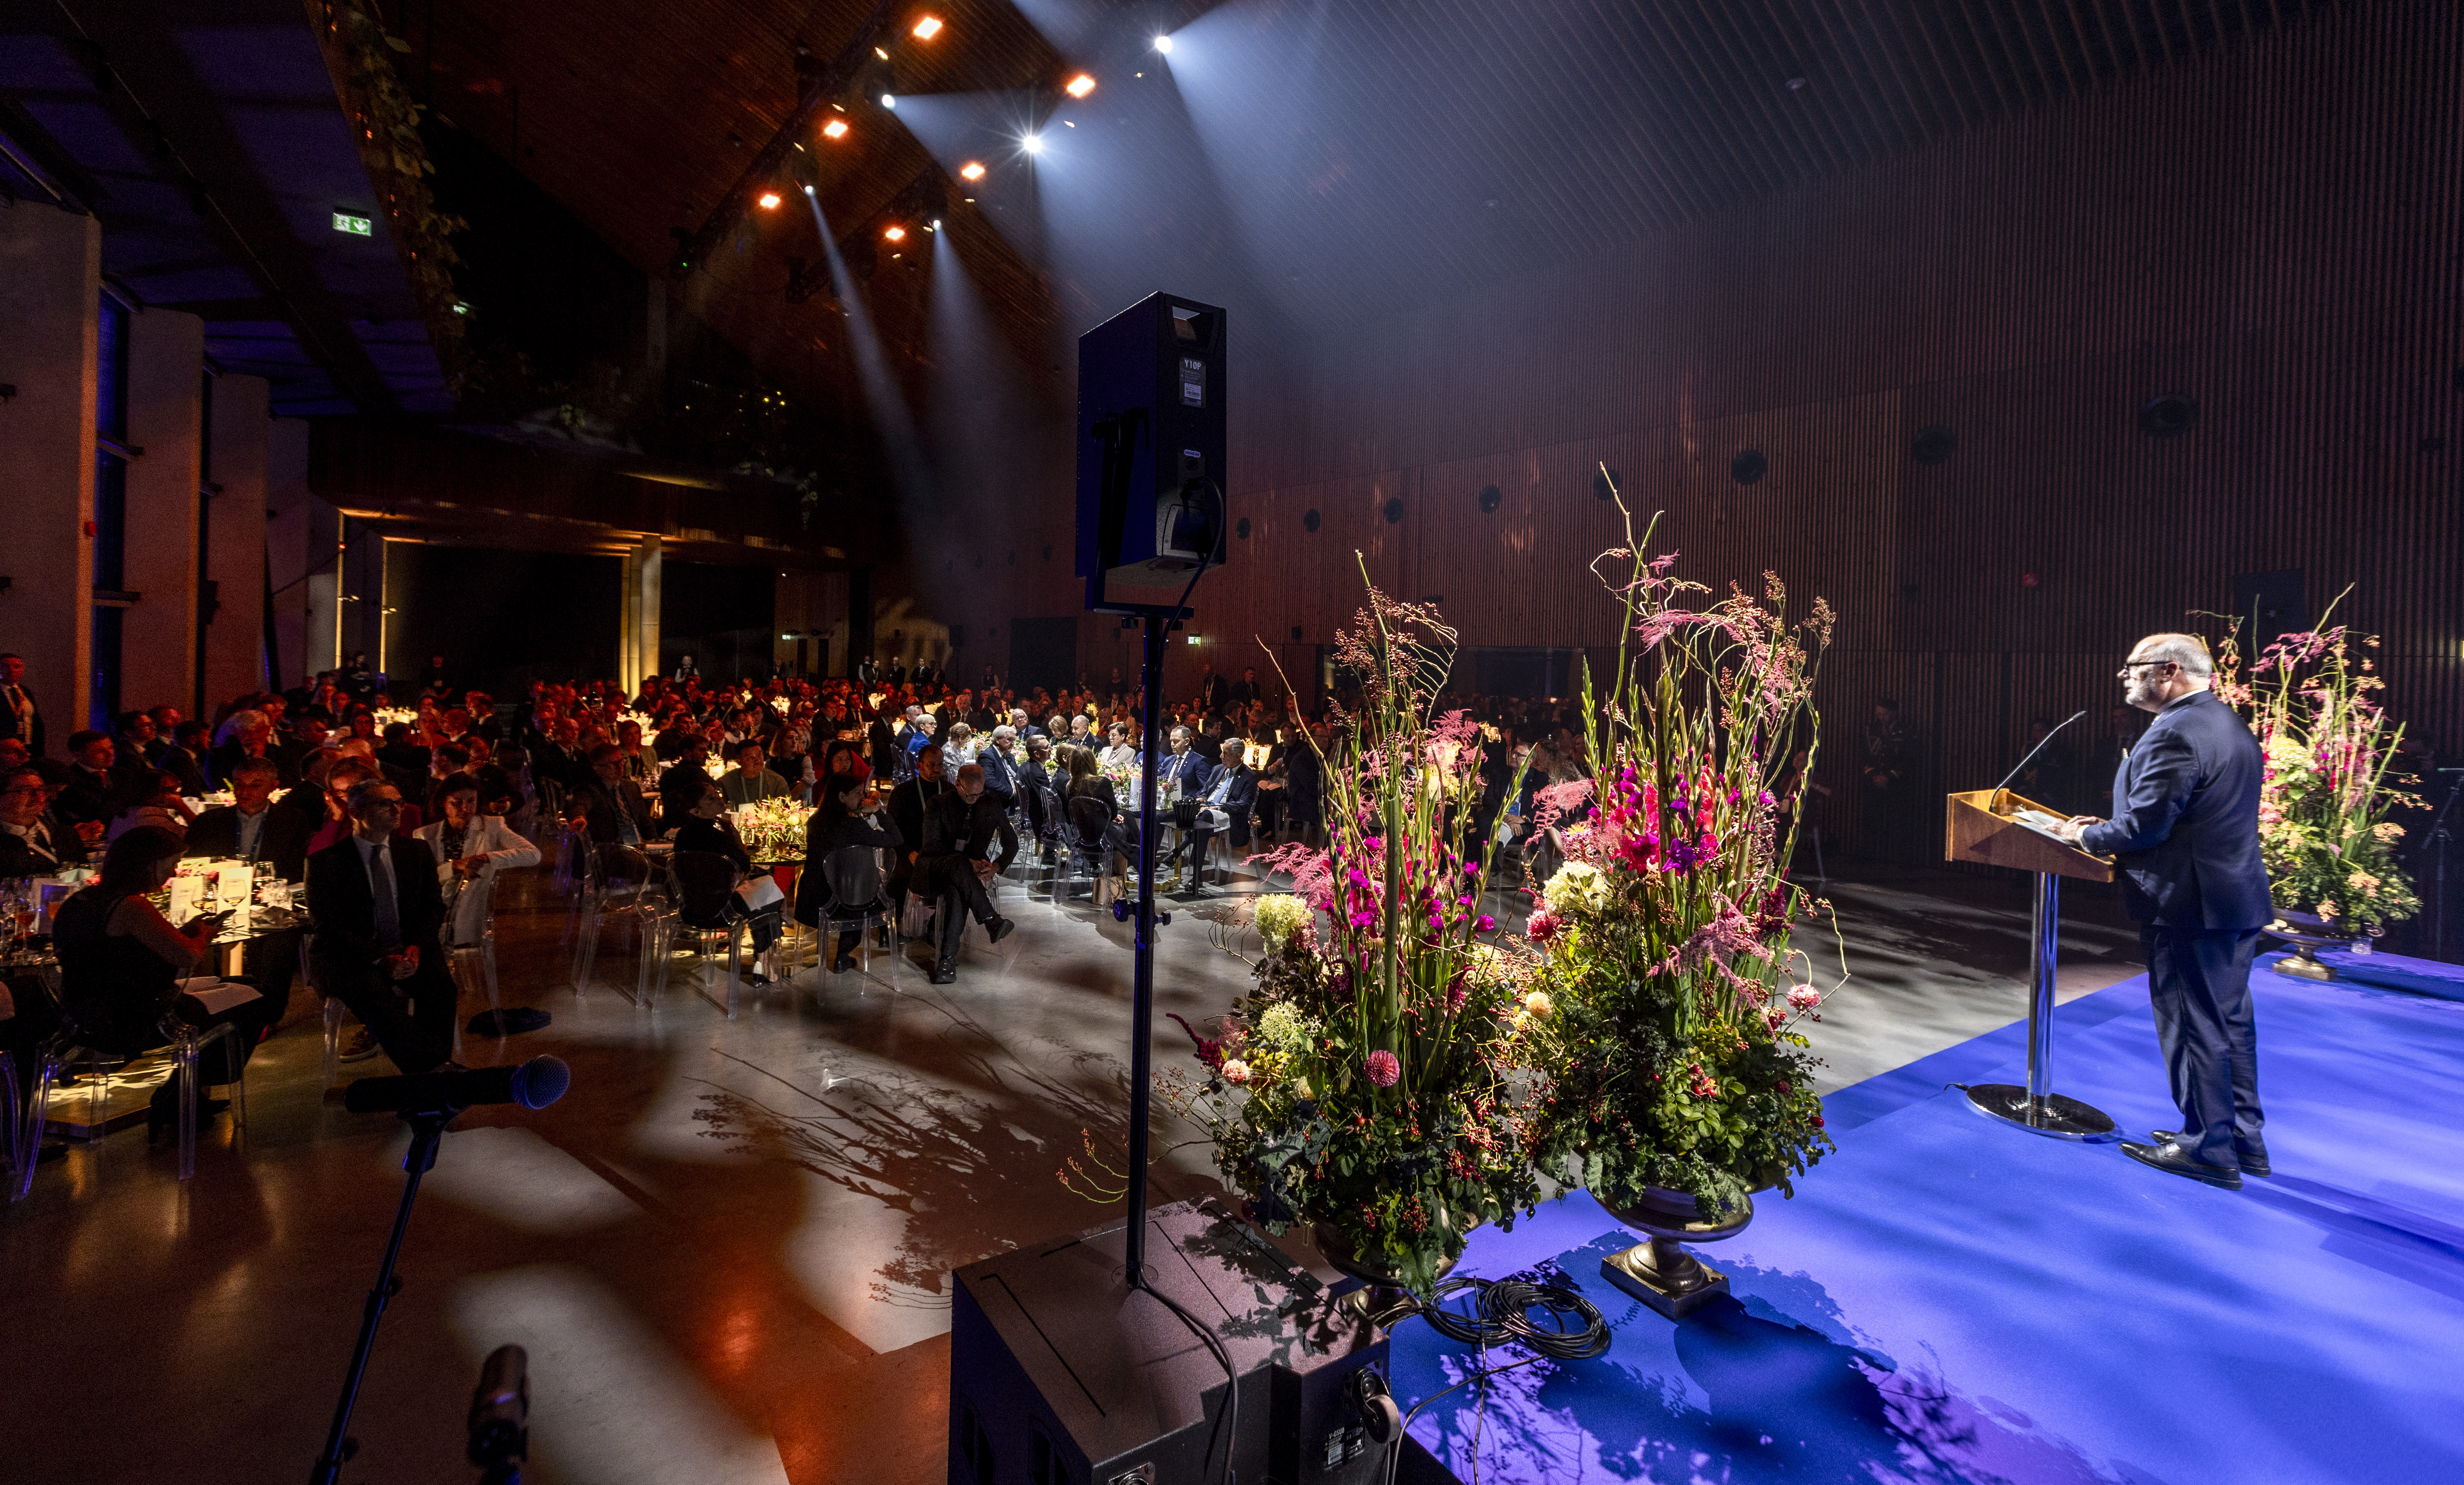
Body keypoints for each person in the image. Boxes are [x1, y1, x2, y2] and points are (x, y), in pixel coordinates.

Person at [2053, 634, 2270, 1190]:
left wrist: (2084, 833)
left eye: (2132, 668)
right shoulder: (2226, 722)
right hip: (2234, 898)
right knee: (2229, 1024)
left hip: (2187, 903)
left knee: (2193, 1025)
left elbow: (2147, 825)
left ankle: (2206, 1146)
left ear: (2169, 671)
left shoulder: (2176, 730)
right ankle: (2241, 1136)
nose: (2124, 677)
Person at [52, 825, 280, 1138]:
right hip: (134, 1017)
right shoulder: (131, 906)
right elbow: (188, 957)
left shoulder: (83, 900)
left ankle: (185, 1095)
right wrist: (202, 934)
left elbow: (122, 953)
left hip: (83, 1013)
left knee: (243, 983)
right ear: (149, 864)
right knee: (259, 996)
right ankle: (178, 1095)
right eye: (170, 865)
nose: (172, 873)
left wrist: (181, 934)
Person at [306, 778, 458, 1075]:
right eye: (384, 803)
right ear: (356, 812)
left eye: (399, 802)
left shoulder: (415, 851)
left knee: (440, 988)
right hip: (353, 954)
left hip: (408, 946)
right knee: (376, 996)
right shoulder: (326, 863)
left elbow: (433, 907)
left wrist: (415, 946)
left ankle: (433, 1075)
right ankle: (437, 1072)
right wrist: (380, 959)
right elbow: (329, 927)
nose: (397, 809)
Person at [913, 763, 1017, 983]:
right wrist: (969, 864)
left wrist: (997, 866)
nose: (975, 799)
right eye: (970, 795)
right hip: (934, 868)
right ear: (958, 784)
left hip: (965, 877)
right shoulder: (937, 804)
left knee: (957, 889)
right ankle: (991, 920)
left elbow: (1012, 843)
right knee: (959, 867)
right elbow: (931, 847)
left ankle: (947, 961)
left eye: (979, 794)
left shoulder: (990, 804)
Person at [413, 772, 540, 947]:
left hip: (469, 913)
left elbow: (533, 854)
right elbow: (420, 881)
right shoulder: (424, 835)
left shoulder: (492, 826)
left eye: (471, 801)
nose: (465, 808)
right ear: (443, 803)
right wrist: (454, 867)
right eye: (457, 802)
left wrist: (487, 857)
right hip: (432, 911)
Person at [794, 773, 903, 972]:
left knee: (854, 888)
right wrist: (877, 812)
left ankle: (844, 955)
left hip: (812, 900)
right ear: (842, 797)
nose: (863, 798)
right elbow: (896, 839)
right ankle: (843, 955)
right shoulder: (854, 827)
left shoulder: (815, 821)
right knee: (867, 894)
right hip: (841, 903)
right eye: (856, 793)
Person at [0, 765, 83, 874]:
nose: (36, 795)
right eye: (26, 789)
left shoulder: (66, 835)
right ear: (2, 799)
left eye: (40, 789)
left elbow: (83, 877)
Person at [568, 744, 656, 846]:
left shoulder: (631, 787)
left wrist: (654, 841)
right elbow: (580, 804)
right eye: (613, 765)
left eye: (621, 761)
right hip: (612, 848)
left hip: (639, 844)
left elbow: (644, 819)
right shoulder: (590, 789)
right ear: (597, 768)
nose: (620, 767)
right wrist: (579, 817)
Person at [718, 740, 791, 805]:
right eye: (751, 757)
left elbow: (786, 810)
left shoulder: (777, 782)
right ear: (739, 762)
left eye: (759, 755)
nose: (757, 760)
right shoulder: (726, 783)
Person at [0, 653, 42, 759]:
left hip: (28, 746)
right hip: (6, 750)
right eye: (6, 666)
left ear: (22, 670)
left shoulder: (25, 691)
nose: (12, 670)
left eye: (16, 667)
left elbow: (35, 720)